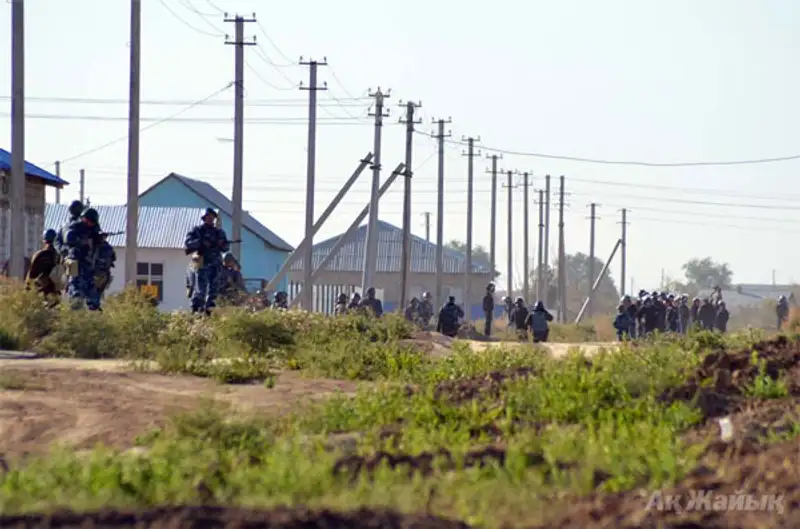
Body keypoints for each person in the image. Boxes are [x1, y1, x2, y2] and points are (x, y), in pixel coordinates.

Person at [184, 208, 229, 315]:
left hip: (215, 264)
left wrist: (221, 244)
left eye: (212, 217)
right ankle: (196, 311)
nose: (210, 219)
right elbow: (188, 243)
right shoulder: (197, 230)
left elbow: (226, 247)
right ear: (204, 218)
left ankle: (210, 312)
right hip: (202, 263)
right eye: (208, 217)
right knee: (200, 290)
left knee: (214, 290)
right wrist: (201, 243)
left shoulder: (219, 232)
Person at [64, 207, 102, 310]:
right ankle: (74, 308)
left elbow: (96, 241)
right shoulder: (75, 226)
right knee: (74, 287)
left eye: (92, 222)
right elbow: (68, 239)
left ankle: (93, 308)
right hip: (73, 259)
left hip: (86, 261)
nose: (90, 224)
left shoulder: (94, 229)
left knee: (90, 287)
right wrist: (82, 241)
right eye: (89, 221)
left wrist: (98, 239)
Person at [26, 229, 62, 305]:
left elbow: (31, 274)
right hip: (53, 292)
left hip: (39, 290)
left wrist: (28, 288)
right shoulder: (59, 256)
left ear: (44, 240)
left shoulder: (39, 254)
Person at [93, 232, 117, 300]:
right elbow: (114, 258)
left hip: (97, 271)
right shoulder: (108, 247)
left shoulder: (95, 246)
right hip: (102, 272)